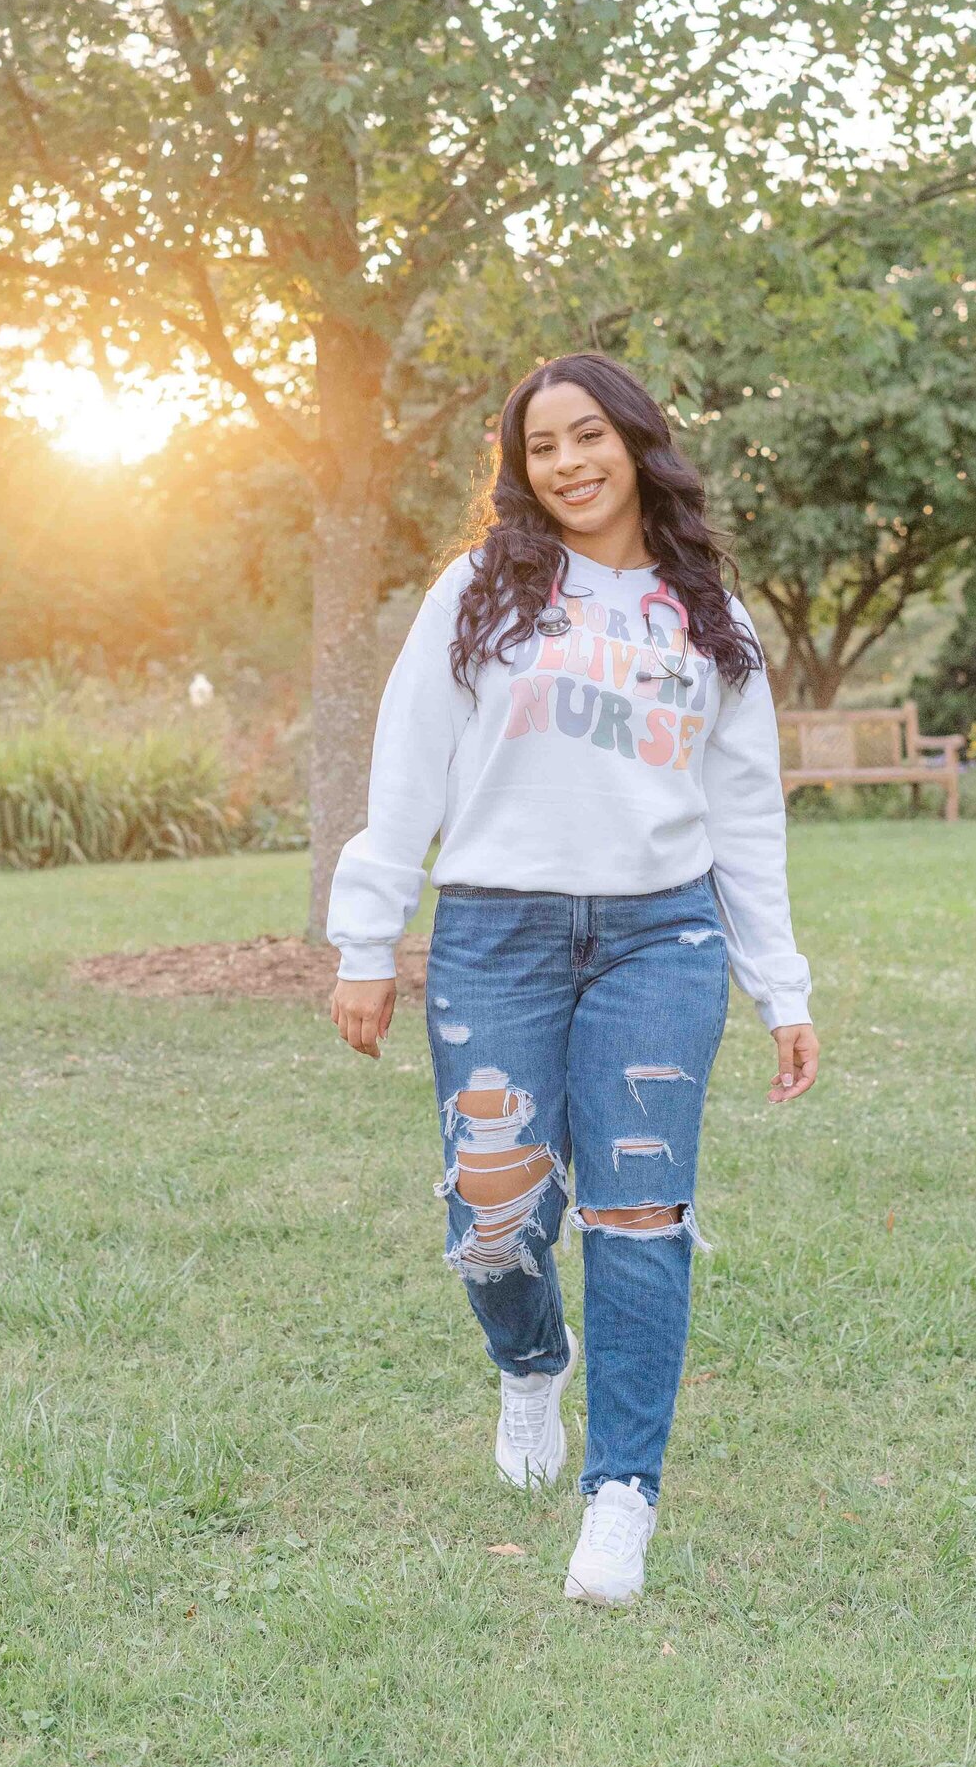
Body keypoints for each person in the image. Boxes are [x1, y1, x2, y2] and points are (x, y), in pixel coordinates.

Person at [325, 353, 819, 1605]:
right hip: (498, 934)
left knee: (638, 1213)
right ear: (520, 469)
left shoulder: (709, 610)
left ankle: (622, 1497)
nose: (567, 465)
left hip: (663, 936)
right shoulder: (481, 587)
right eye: (541, 448)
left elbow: (744, 809)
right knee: (492, 1220)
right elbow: (408, 768)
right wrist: (366, 941)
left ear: (634, 441)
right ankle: (532, 1364)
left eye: (586, 436)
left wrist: (782, 983)